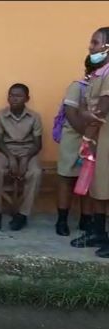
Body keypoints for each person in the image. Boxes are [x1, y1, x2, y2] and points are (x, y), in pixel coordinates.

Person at [71, 27, 109, 257]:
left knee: (106, 186)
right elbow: (87, 105)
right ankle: (98, 232)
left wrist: (87, 134)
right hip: (99, 137)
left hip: (103, 135)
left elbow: (102, 108)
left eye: (95, 43)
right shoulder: (99, 73)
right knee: (98, 186)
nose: (91, 47)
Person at [0, 83, 43, 232]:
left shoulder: (34, 117)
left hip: (28, 150)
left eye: (18, 96)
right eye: (11, 95)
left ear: (27, 98)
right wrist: (11, 158)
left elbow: (38, 144)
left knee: (36, 173)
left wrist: (25, 158)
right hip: (6, 150)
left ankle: (22, 215)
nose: (14, 98)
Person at [56, 57, 95, 236]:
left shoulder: (102, 90)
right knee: (67, 179)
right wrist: (87, 135)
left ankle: (86, 219)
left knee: (89, 179)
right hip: (73, 139)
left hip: (95, 141)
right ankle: (62, 220)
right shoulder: (77, 87)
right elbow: (71, 114)